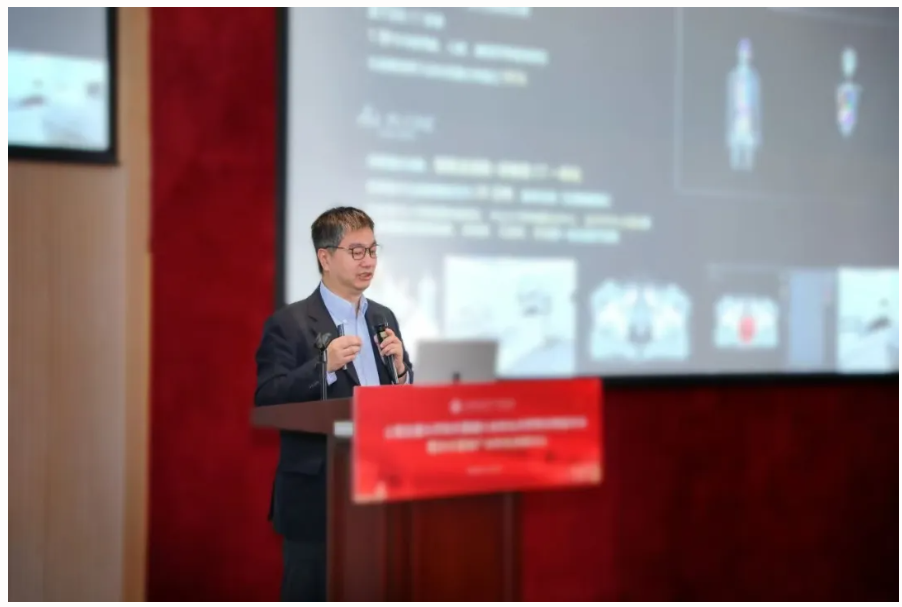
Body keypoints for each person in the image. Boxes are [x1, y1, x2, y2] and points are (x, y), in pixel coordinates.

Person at [254, 206, 413, 601]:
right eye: (356, 251)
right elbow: (267, 398)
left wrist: (401, 371)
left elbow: (394, 407)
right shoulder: (288, 324)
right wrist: (322, 367)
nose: (369, 261)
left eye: (372, 250)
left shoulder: (383, 317)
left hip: (380, 490)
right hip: (317, 500)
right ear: (324, 258)